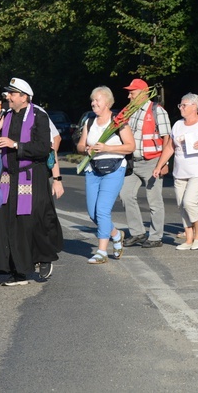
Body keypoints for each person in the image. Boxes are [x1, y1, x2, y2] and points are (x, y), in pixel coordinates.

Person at [0, 78, 63, 285]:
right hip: (7, 176)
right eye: (8, 93)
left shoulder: (39, 116)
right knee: (6, 221)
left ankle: (44, 258)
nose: (8, 97)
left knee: (32, 221)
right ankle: (16, 269)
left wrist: (15, 145)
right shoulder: (5, 115)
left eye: (12, 94)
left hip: (32, 175)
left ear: (24, 97)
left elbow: (43, 148)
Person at [76, 86, 135, 264]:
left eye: (97, 100)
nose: (93, 103)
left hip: (115, 169)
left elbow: (130, 146)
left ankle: (101, 251)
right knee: (93, 213)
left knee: (102, 210)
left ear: (108, 103)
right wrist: (86, 149)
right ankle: (117, 235)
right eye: (92, 100)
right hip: (93, 170)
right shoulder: (89, 122)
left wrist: (107, 148)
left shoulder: (118, 122)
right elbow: (79, 145)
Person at [153, 93, 198, 250]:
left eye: (184, 105)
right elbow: (170, 146)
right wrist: (159, 165)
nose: (181, 108)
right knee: (181, 205)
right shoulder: (177, 125)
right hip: (180, 171)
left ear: (195, 107)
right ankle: (189, 239)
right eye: (180, 105)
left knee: (189, 201)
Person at [119, 78, 171, 248]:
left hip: (152, 161)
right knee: (125, 194)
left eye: (132, 92)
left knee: (154, 201)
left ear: (142, 93)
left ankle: (156, 237)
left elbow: (167, 138)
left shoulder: (157, 111)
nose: (129, 96)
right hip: (132, 162)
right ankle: (138, 233)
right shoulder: (129, 111)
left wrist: (163, 163)